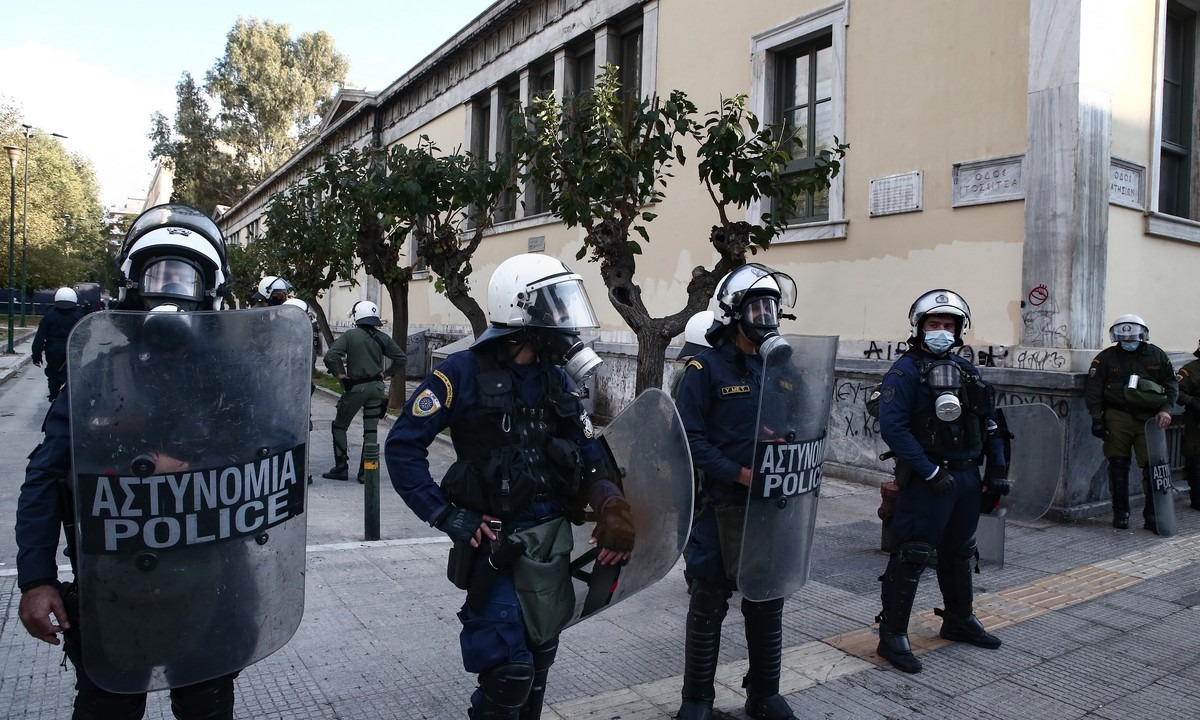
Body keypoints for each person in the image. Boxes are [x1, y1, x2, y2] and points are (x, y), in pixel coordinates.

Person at [16, 204, 254, 719]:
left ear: (209, 290)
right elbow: (44, 476)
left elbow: (273, 455)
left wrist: (193, 469)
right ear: (130, 287)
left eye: (184, 277)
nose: (169, 289)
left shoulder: (233, 376)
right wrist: (36, 579)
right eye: (156, 275)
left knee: (207, 705)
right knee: (109, 707)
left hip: (213, 574)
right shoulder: (98, 376)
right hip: (114, 578)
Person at [384, 253, 633, 719]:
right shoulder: (460, 373)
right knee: (508, 674)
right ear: (520, 311)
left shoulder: (557, 380)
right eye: (555, 306)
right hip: (496, 549)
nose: (565, 319)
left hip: (551, 545)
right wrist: (446, 514)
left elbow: (589, 452)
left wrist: (612, 504)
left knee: (538, 664)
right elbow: (402, 448)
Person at [672, 263, 802, 720]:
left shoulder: (781, 369)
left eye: (772, 308)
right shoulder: (703, 368)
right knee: (708, 601)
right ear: (732, 313)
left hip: (769, 506)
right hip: (718, 506)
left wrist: (788, 444)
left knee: (766, 599)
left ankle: (764, 693)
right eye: (756, 308)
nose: (766, 317)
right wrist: (739, 473)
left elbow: (803, 421)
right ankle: (696, 700)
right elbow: (688, 438)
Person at [873, 289, 1007, 675]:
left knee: (960, 550)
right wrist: (929, 472)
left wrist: (996, 469)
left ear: (960, 329)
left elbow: (990, 422)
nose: (942, 331)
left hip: (966, 477)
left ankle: (959, 619)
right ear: (919, 328)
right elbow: (894, 428)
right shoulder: (905, 372)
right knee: (913, 552)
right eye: (934, 324)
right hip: (927, 478)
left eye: (949, 325)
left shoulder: (967, 371)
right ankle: (892, 635)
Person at [1084, 314, 1179, 530]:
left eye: (1132, 337)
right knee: (1118, 465)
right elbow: (1094, 389)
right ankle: (1121, 513)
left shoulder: (1157, 355)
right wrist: (1097, 418)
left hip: (1150, 419)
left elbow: (1171, 383)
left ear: (1142, 335)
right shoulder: (1106, 358)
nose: (1128, 341)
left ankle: (1152, 515)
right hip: (1118, 416)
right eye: (1123, 337)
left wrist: (1166, 409)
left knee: (1152, 467)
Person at [321, 300, 406, 483]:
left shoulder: (350, 335)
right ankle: (366, 472)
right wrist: (387, 373)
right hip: (377, 388)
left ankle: (341, 467)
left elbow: (330, 357)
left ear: (357, 316)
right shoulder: (382, 337)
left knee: (340, 426)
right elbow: (401, 358)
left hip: (356, 388)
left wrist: (339, 374)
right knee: (371, 431)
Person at [31, 287, 90, 402]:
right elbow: (86, 334)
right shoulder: (79, 317)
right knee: (73, 375)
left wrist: (36, 356)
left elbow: (39, 338)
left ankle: (54, 397)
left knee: (53, 375)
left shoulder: (49, 316)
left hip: (53, 351)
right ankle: (71, 398)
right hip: (73, 350)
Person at [1176, 338, 1200, 510]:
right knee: (1196, 461)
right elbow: (1176, 391)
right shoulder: (1190, 370)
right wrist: (1193, 402)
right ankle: (1197, 499)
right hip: (1196, 422)